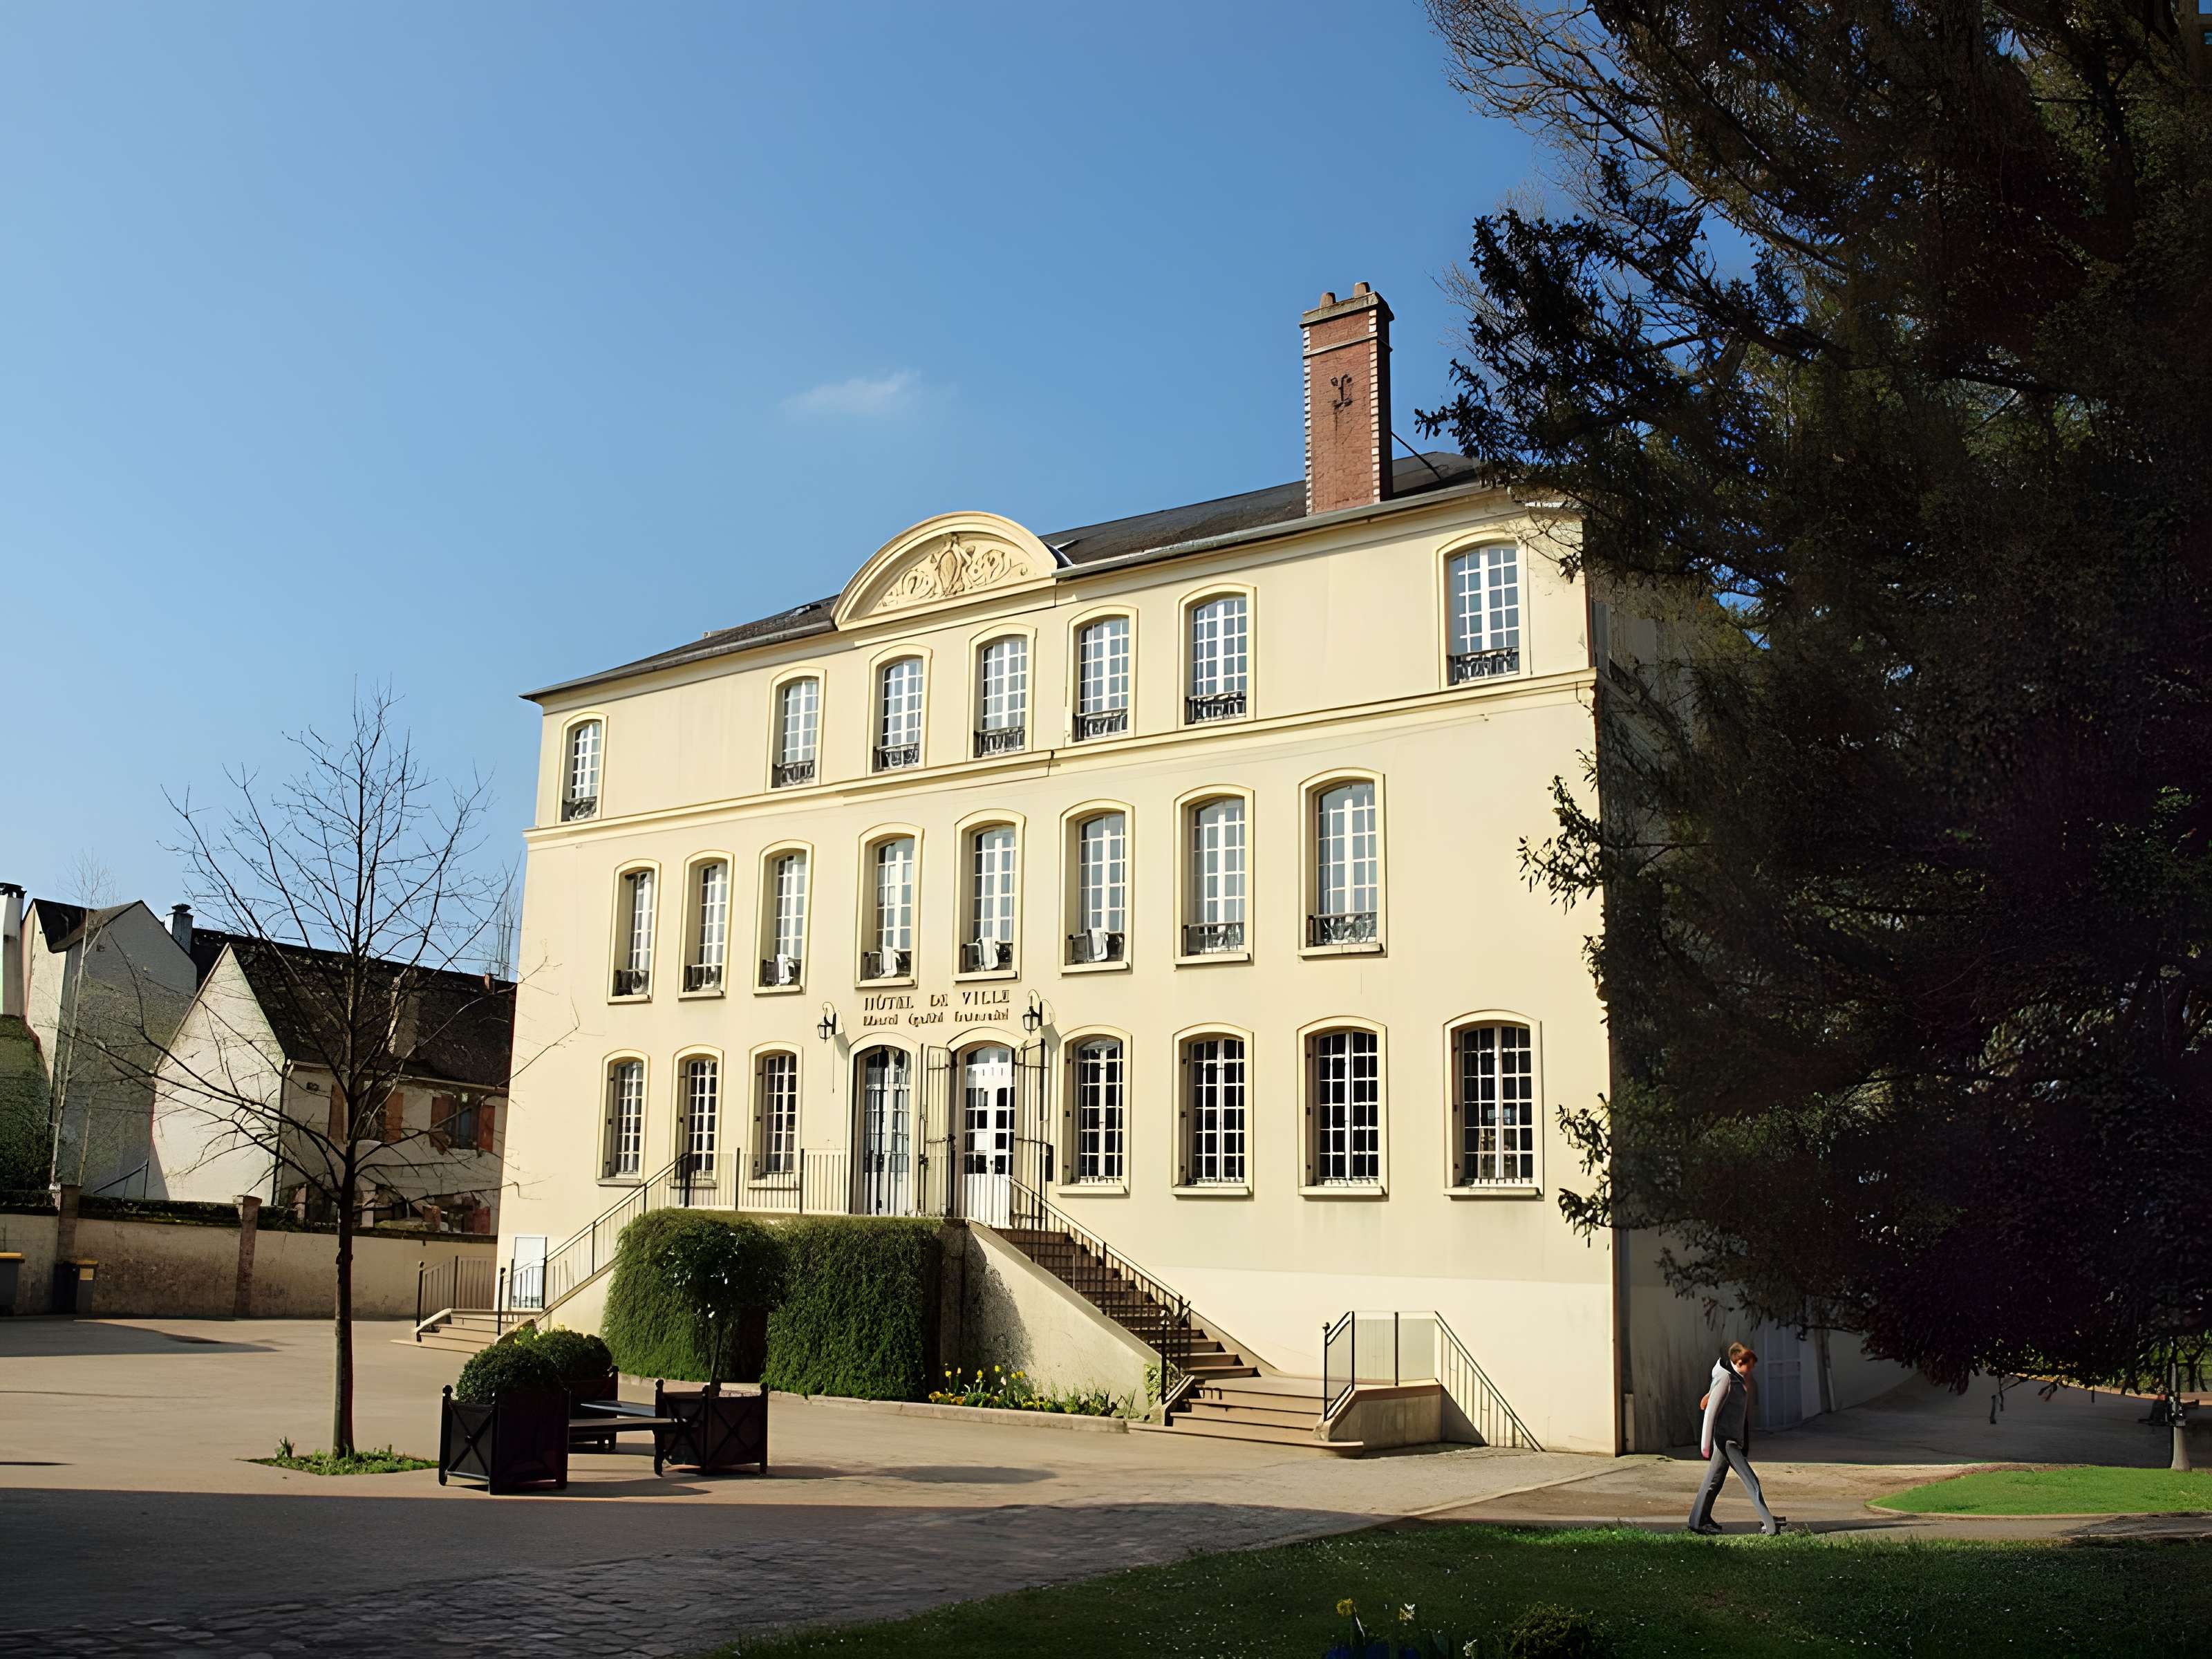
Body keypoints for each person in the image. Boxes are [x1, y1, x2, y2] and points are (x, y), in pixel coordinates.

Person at [1686, 1341, 1780, 1535]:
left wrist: (1712, 1395)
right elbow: (1709, 1411)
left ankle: (1699, 1520)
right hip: (1726, 1441)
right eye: (1750, 1366)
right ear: (1739, 1362)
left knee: (1713, 1481)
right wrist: (1705, 1446)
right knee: (1751, 1480)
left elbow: (1707, 1401)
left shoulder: (1735, 1380)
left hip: (1731, 1439)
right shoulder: (1727, 1379)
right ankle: (1770, 1525)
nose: (1751, 1370)